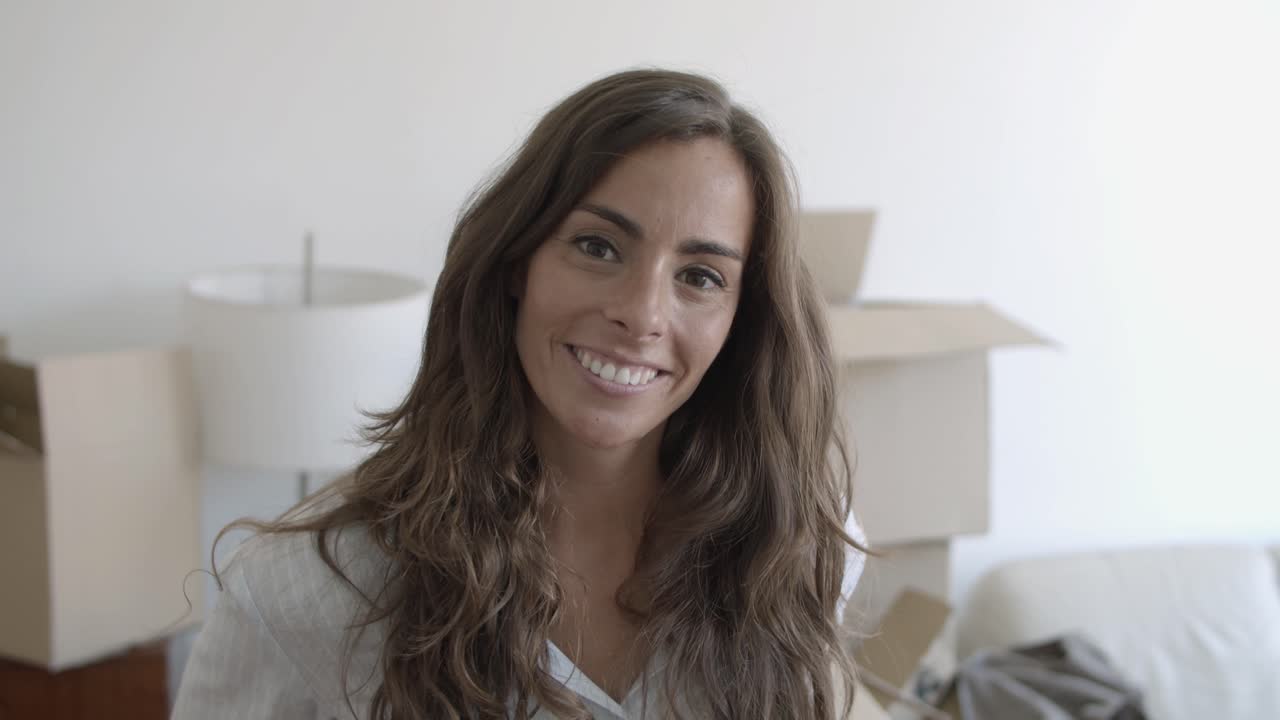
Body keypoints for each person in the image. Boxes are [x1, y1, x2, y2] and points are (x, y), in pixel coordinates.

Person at [172, 67, 867, 720]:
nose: (642, 315)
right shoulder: (302, 590)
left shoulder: (801, 552)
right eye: (598, 247)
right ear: (516, 263)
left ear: (742, 322)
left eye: (701, 277)